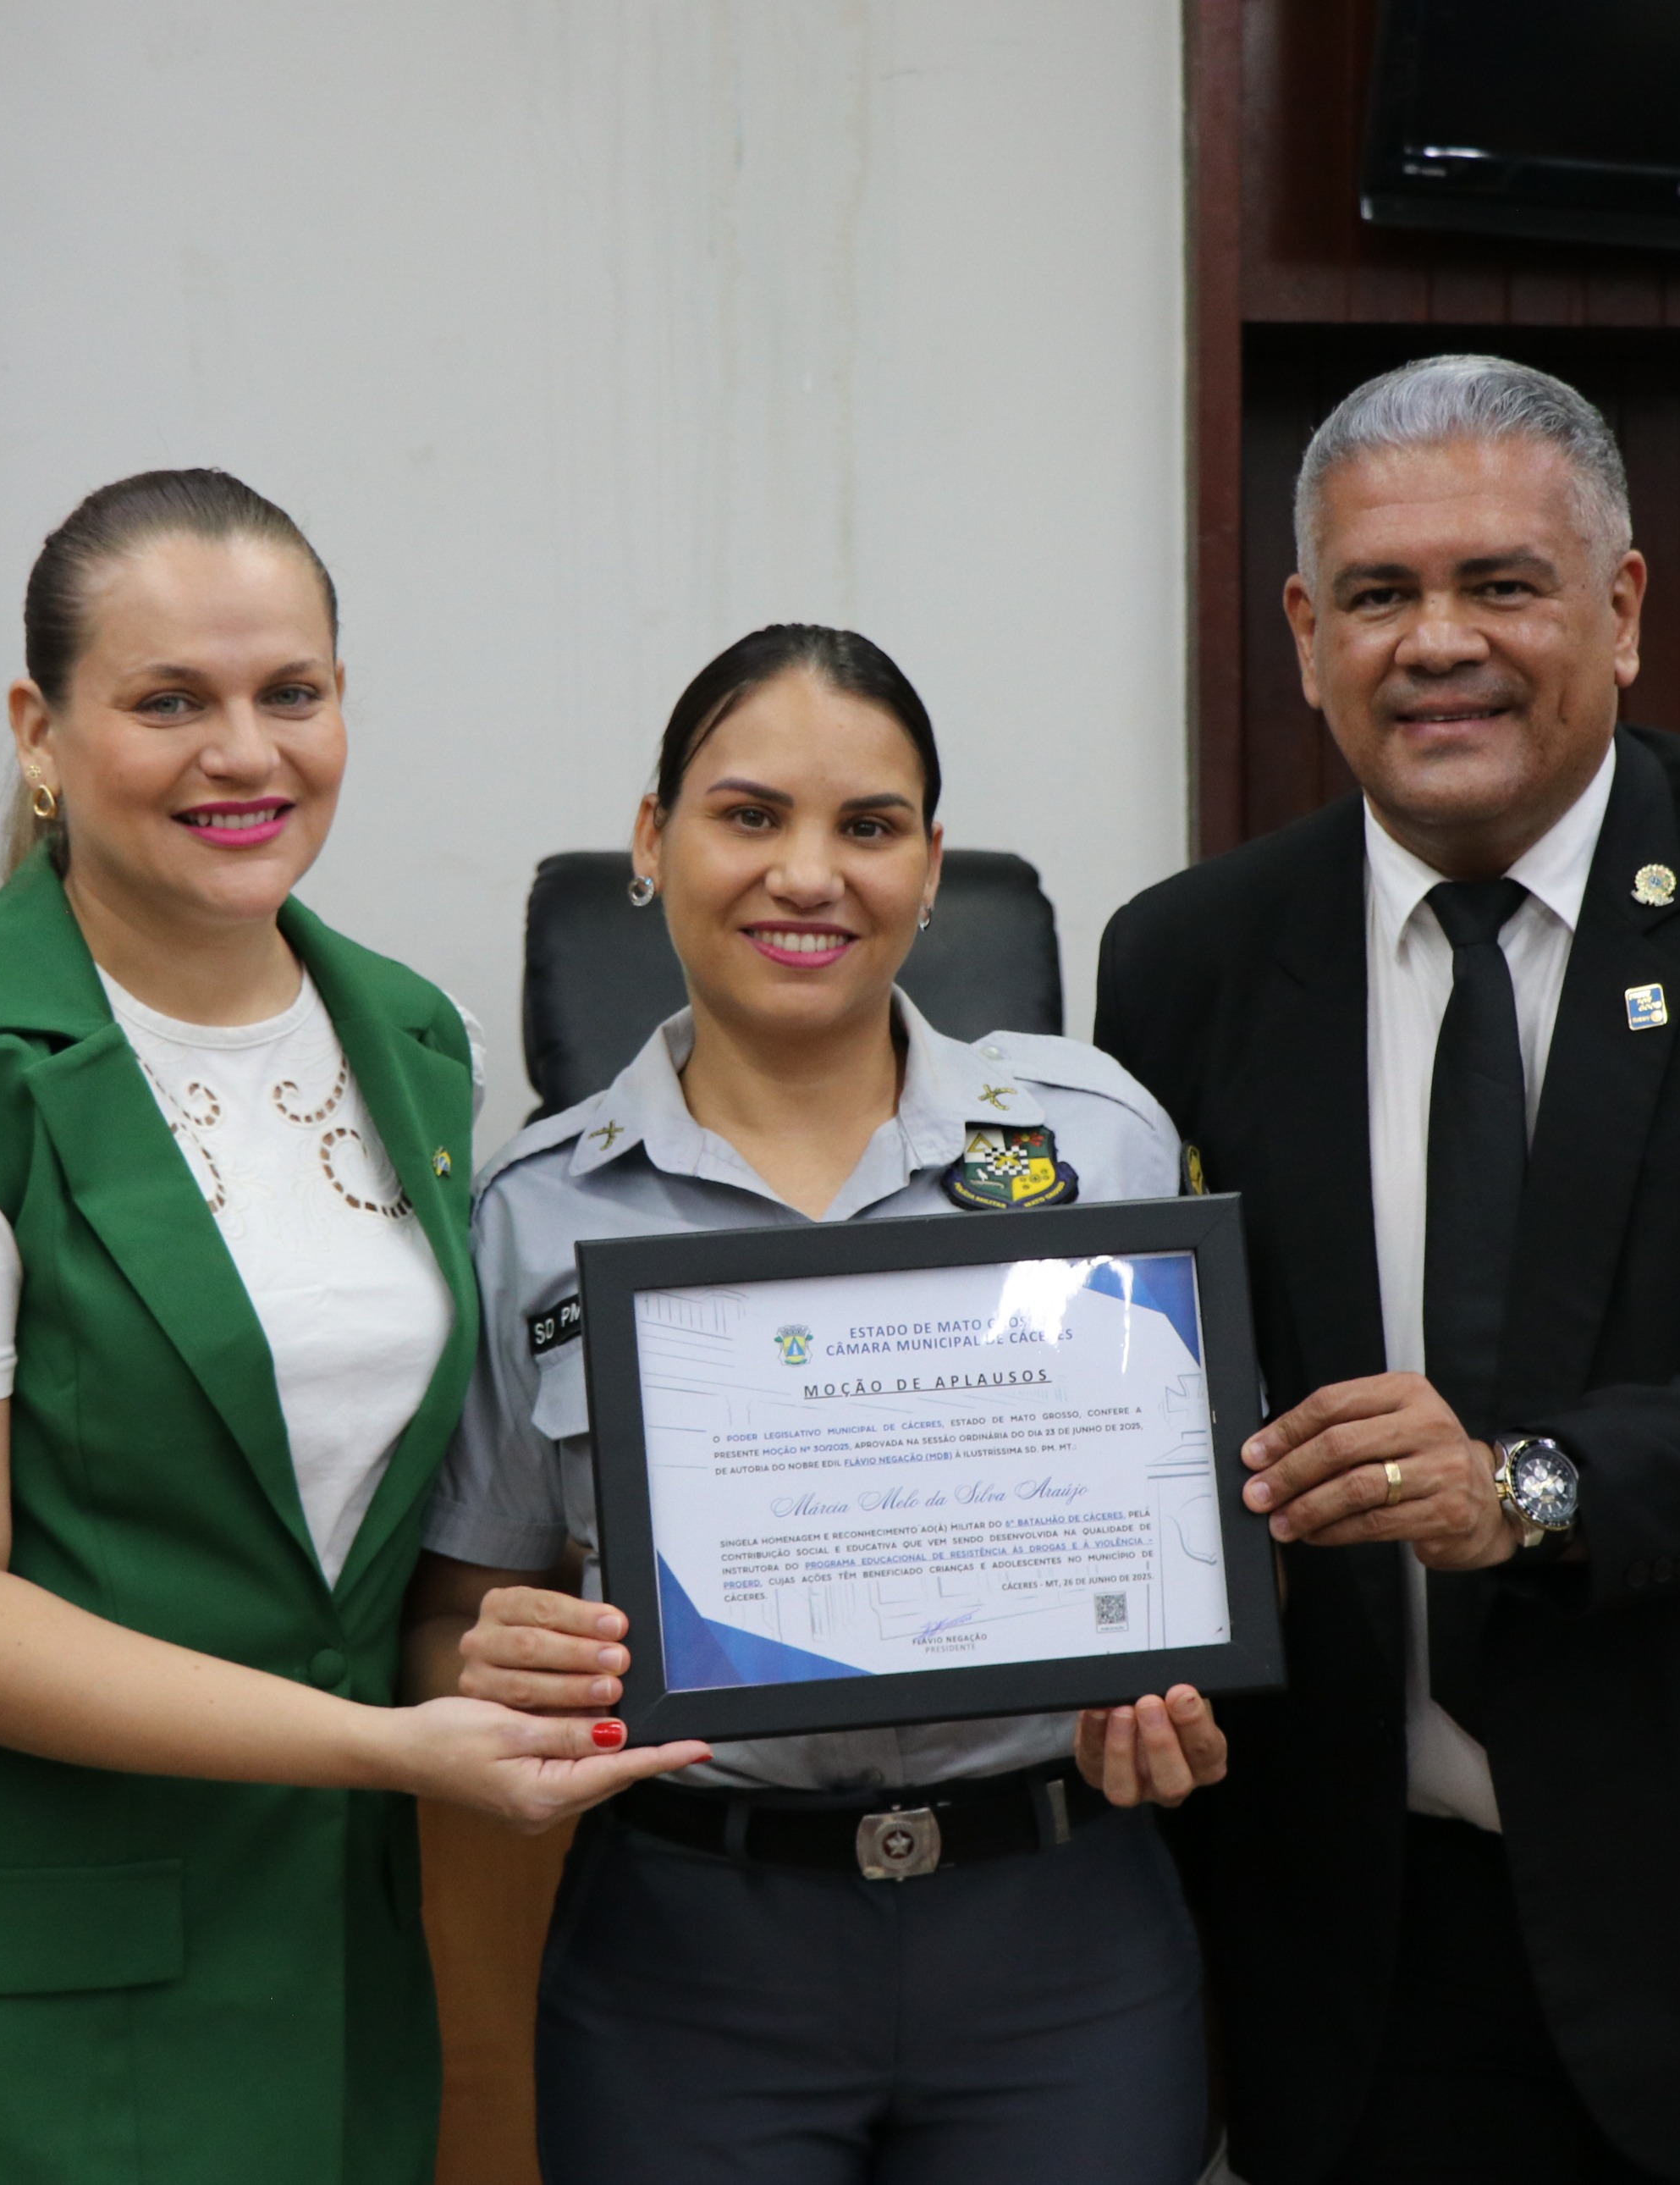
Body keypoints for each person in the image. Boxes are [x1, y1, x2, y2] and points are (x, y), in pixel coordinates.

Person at [1095, 357, 1680, 2185]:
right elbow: (1155, 1399)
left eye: (1501, 583)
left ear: (1619, 610)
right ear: (1304, 636)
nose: (1436, 642)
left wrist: (1524, 1491)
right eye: (1378, 594)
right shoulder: (1183, 960)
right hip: (1359, 1939)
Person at [0, 471, 702, 2185]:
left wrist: (496, 1659)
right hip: (2, 1989)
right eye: (169, 701)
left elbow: (358, 1534)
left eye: (288, 693)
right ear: (40, 731)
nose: (244, 755)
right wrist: (382, 1744)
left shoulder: (414, 1039)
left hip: (318, 1953)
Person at [405, 623, 1229, 2185]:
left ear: (930, 866)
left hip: (1062, 1932)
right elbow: (456, 1609)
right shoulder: (534, 1210)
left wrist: (1183, 1691)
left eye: (868, 825)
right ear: (652, 842)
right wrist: (502, 1672)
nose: (807, 874)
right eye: (748, 815)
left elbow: (1213, 1551)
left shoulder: (1100, 1143)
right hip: (689, 1953)